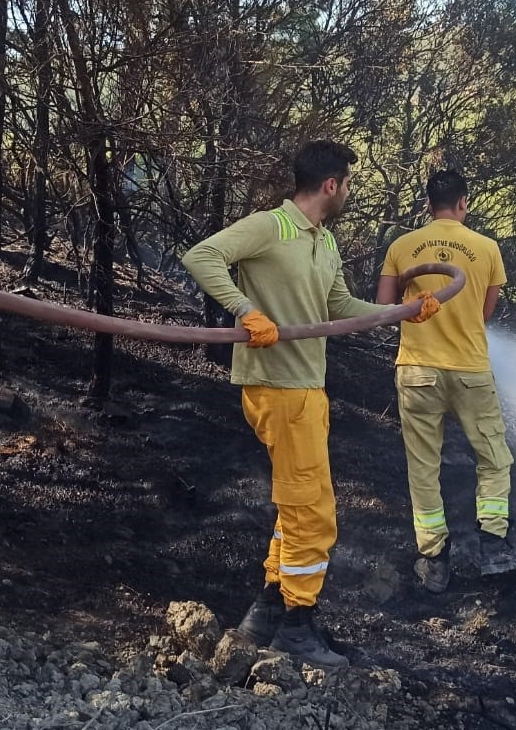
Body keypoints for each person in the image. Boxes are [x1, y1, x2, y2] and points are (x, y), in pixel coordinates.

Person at [182, 140, 440, 667]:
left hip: (308, 390)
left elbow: (340, 306)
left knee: (296, 507)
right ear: (330, 185)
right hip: (278, 389)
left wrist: (403, 313)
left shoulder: (325, 241)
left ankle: (267, 612)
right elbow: (201, 256)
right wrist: (245, 310)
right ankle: (298, 627)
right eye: (347, 183)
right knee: (314, 514)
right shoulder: (271, 225)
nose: (348, 191)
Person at [377, 169, 516, 593]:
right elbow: (484, 314)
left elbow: (382, 309)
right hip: (470, 372)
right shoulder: (487, 248)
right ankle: (494, 543)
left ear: (428, 204)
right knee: (494, 456)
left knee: (424, 466)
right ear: (463, 203)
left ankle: (433, 559)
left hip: (416, 372)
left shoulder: (401, 246)